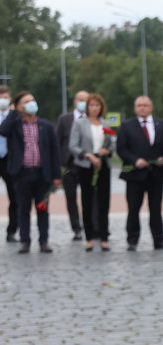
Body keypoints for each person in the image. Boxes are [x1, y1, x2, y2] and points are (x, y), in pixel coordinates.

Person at [0, 91, 62, 253]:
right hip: (22, 173)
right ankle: (25, 241)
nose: (31, 104)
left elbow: (54, 152)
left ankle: (44, 241)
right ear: (20, 106)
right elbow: (3, 131)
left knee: (42, 208)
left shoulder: (46, 125)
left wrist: (57, 176)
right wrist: (14, 111)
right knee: (23, 209)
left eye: (33, 100)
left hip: (42, 174)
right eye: (27, 102)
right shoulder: (14, 124)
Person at [116, 95, 163, 250]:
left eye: (146, 105)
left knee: (156, 209)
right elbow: (121, 149)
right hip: (135, 174)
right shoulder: (127, 125)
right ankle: (132, 240)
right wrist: (134, 160)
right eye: (139, 105)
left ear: (151, 107)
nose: (143, 108)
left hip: (157, 174)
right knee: (133, 209)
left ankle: (159, 240)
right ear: (135, 108)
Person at [68, 93, 115, 251]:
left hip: (103, 165)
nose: (94, 108)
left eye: (97, 105)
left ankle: (103, 237)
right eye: (92, 105)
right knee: (87, 201)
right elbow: (73, 145)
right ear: (87, 107)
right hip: (86, 165)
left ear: (101, 108)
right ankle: (88, 237)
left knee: (104, 202)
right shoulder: (79, 123)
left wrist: (106, 152)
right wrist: (88, 155)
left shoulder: (105, 123)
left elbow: (112, 145)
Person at [55, 91, 89, 241]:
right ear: (75, 101)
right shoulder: (65, 119)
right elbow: (58, 142)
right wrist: (59, 165)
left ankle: (92, 226)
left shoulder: (94, 119)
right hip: (68, 164)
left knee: (91, 197)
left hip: (88, 163)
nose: (83, 103)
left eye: (86, 100)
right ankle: (76, 228)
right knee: (70, 197)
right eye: (80, 100)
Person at [0, 88, 16, 242]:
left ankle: (12, 230)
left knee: (14, 196)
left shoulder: (15, 116)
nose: (2, 100)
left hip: (8, 159)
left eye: (5, 97)